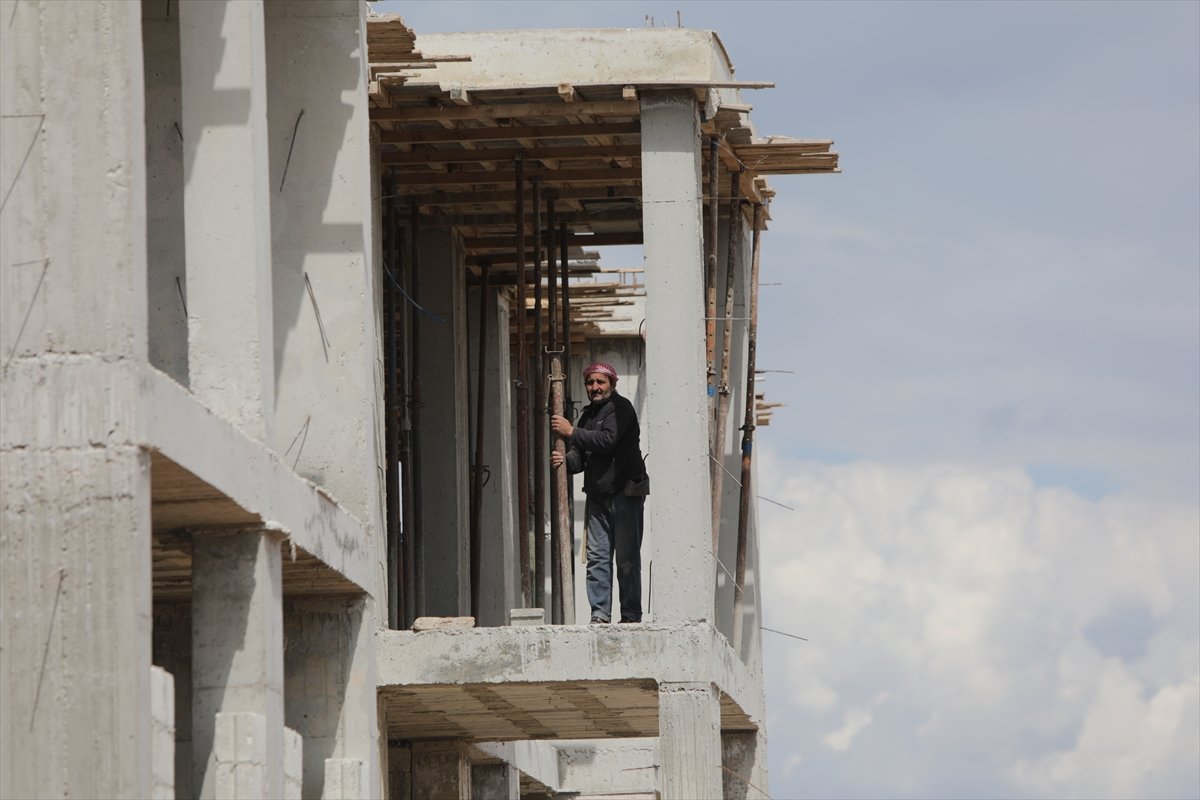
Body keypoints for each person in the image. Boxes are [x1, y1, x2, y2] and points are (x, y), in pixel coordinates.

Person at [550, 362, 648, 624]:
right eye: (590, 383)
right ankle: (600, 615)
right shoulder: (587, 416)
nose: (595, 387)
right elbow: (580, 457)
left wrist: (571, 431)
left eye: (600, 382)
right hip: (599, 496)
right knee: (597, 560)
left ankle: (630, 616)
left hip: (626, 493)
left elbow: (607, 441)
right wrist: (565, 460)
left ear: (612, 384)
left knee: (626, 560)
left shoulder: (620, 408)